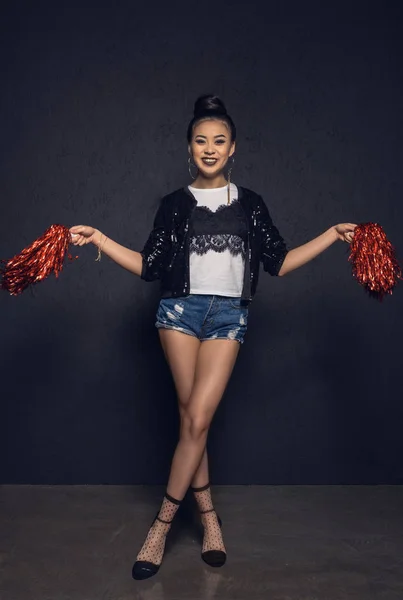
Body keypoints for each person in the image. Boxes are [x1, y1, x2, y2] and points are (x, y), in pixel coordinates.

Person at [70, 94, 356, 580]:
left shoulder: (251, 204)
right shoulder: (174, 205)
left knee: (197, 420)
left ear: (232, 149)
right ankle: (209, 521)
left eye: (218, 141)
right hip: (178, 312)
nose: (209, 148)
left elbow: (280, 262)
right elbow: (149, 267)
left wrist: (331, 233)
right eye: (200, 140)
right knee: (191, 422)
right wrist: (100, 238)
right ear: (189, 149)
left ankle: (160, 526)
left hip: (229, 317)